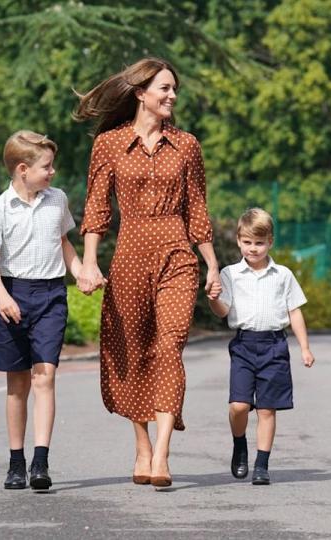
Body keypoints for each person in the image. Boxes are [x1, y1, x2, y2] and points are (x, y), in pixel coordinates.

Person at [73, 57, 220, 489]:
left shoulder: (188, 145)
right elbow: (97, 209)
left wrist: (212, 264)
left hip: (177, 253)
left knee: (169, 346)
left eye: (174, 89)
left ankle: (161, 453)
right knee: (132, 349)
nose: (172, 96)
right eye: (164, 89)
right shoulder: (109, 145)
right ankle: (140, 444)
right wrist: (88, 262)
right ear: (141, 93)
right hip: (130, 254)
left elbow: (197, 208)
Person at [0, 130, 84, 490]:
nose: (52, 172)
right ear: (23, 169)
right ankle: (15, 461)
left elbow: (64, 242)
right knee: (17, 383)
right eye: (46, 167)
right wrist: (2, 297)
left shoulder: (57, 200)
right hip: (12, 294)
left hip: (51, 295)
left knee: (46, 375)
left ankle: (41, 461)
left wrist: (81, 270)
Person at [206, 208, 315, 485]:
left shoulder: (283, 275)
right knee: (239, 406)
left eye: (259, 243)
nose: (253, 249)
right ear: (238, 241)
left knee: (267, 408)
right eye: (247, 242)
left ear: (270, 242)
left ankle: (262, 464)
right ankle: (239, 443)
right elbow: (222, 311)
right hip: (244, 345)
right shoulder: (230, 274)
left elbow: (295, 312)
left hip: (274, 345)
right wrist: (212, 298)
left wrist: (304, 347)